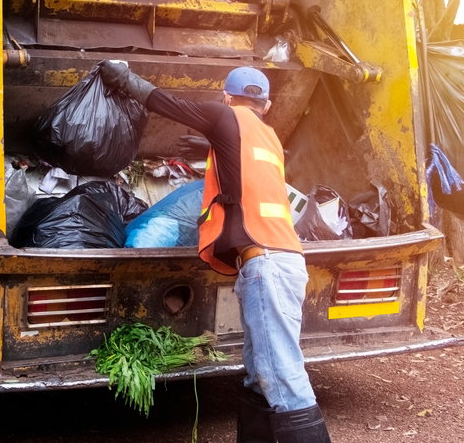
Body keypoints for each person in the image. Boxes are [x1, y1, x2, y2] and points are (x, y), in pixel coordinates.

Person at [100, 61, 331, 443]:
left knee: (283, 377)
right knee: (259, 374)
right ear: (267, 106)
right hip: (286, 259)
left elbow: (164, 102)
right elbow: (245, 172)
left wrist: (121, 77)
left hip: (266, 264)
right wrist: (213, 146)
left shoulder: (224, 115)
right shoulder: (270, 138)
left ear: (226, 96)